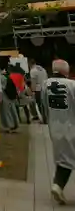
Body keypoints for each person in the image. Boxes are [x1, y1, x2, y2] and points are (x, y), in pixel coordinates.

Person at [43, 59, 75, 205]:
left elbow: (43, 105)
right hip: (71, 126)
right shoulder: (72, 85)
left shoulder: (46, 84)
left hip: (54, 128)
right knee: (69, 158)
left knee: (64, 158)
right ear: (65, 71)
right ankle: (58, 185)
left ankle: (58, 185)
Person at [0, 60, 19, 133]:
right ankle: (16, 124)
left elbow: (0, 89)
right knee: (12, 110)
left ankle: (9, 126)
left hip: (5, 95)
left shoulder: (0, 77)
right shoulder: (8, 75)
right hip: (11, 95)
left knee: (6, 111)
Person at [29, 58, 48, 123]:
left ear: (30, 63)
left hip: (38, 89)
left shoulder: (33, 71)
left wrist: (32, 91)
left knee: (40, 104)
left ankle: (45, 119)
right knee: (45, 104)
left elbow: (33, 82)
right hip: (45, 88)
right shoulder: (42, 69)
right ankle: (47, 117)